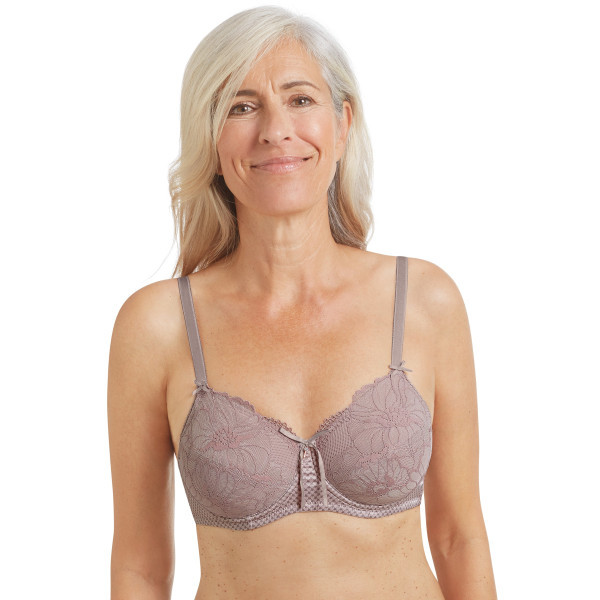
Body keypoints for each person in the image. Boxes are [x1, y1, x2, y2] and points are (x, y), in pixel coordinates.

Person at [107, 6, 497, 599]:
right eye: (241, 107)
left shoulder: (424, 301)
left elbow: (458, 539)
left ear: (342, 125)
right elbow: (140, 567)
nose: (275, 130)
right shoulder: (158, 326)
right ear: (210, 136)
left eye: (300, 99)